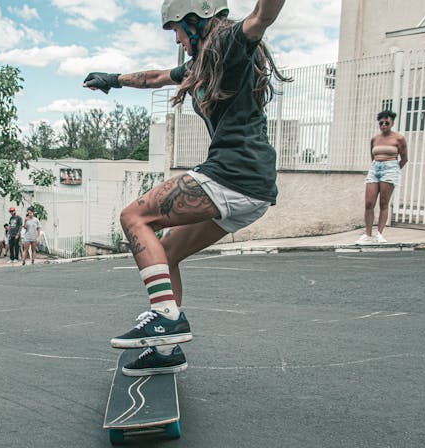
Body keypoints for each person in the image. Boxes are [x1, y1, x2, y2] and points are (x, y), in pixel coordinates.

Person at [83, 0, 288, 376]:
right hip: (252, 188)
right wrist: (114, 79)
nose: (177, 37)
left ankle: (164, 317)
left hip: (233, 174)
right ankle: (165, 348)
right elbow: (159, 77)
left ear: (195, 19)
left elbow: (263, 15)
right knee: (167, 253)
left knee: (134, 216)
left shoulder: (229, 42)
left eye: (176, 28)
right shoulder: (199, 64)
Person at [356, 109, 409, 244]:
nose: (383, 125)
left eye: (386, 122)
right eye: (381, 122)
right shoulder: (375, 139)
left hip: (390, 168)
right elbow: (372, 156)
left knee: (383, 203)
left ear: (392, 123)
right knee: (369, 204)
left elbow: (404, 158)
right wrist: (377, 167)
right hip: (375, 169)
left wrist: (393, 170)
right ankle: (368, 235)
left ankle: (379, 234)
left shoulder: (399, 138)